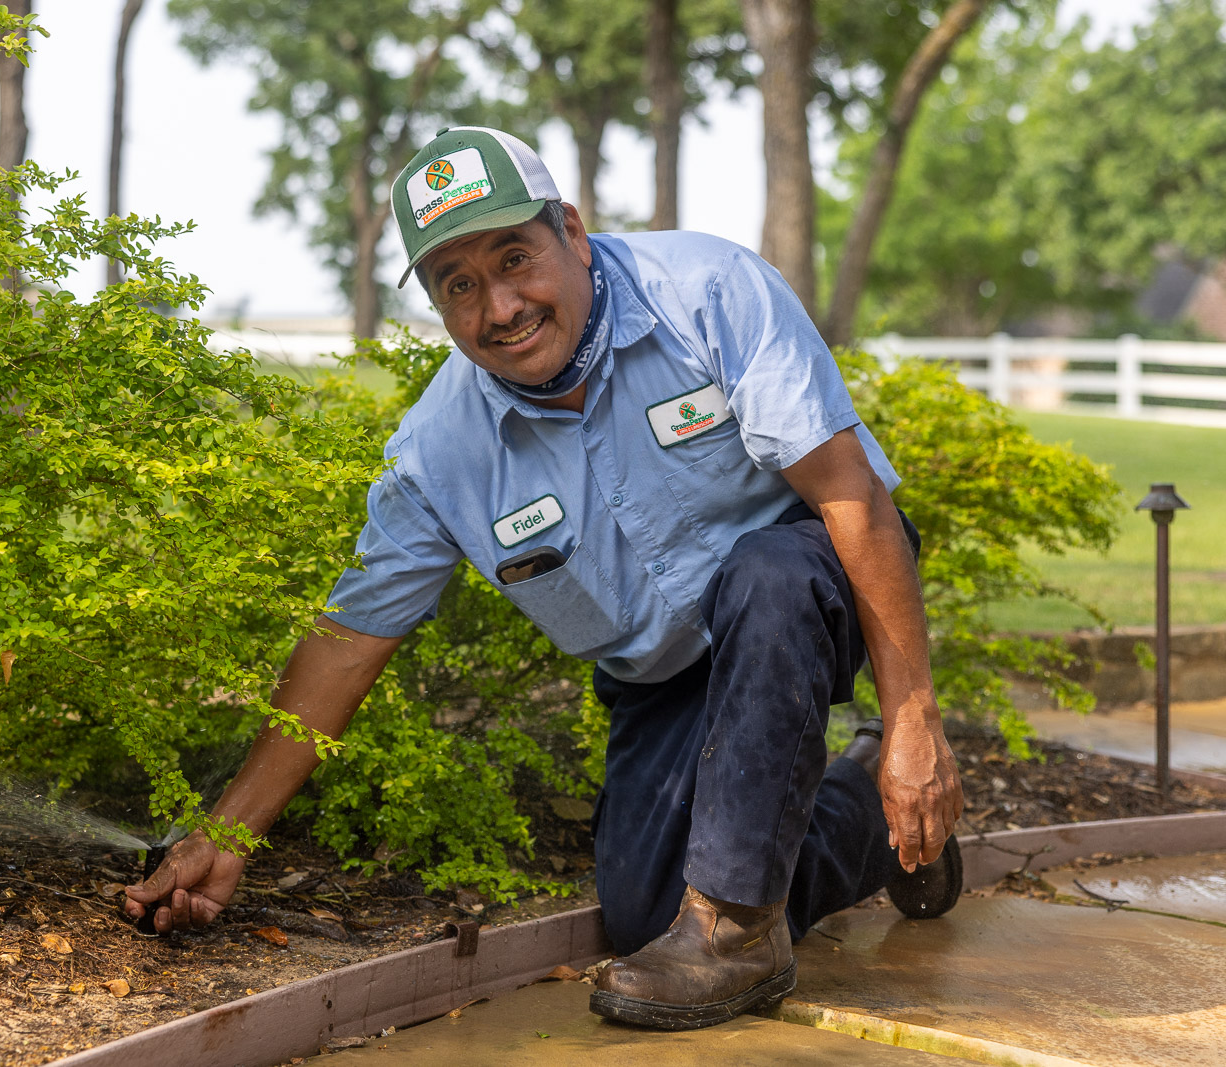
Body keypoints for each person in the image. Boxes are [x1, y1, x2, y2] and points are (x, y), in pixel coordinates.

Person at [125, 126, 965, 1031]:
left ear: (571, 230)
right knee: (646, 916)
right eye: (458, 284)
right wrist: (227, 836)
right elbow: (345, 645)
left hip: (809, 579)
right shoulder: (439, 454)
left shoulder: (710, 293)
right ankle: (871, 824)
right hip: (666, 670)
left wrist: (913, 719)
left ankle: (735, 933)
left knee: (765, 573)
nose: (501, 306)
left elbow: (851, 498)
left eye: (514, 257)